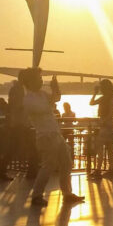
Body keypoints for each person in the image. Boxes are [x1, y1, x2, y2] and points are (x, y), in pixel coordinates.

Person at [21, 68, 85, 207]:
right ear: (30, 81)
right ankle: (37, 195)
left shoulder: (42, 94)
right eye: (38, 79)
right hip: (45, 136)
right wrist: (51, 98)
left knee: (67, 163)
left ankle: (67, 193)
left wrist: (55, 87)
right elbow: (43, 108)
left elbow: (56, 98)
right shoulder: (29, 99)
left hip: (56, 134)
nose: (41, 81)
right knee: (48, 166)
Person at [89, 79, 113, 180]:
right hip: (108, 125)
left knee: (101, 148)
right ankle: (110, 169)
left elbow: (110, 113)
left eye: (101, 87)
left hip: (106, 125)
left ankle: (99, 169)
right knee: (109, 149)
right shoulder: (109, 98)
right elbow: (91, 103)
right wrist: (94, 94)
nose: (100, 89)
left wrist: (103, 122)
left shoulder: (110, 99)